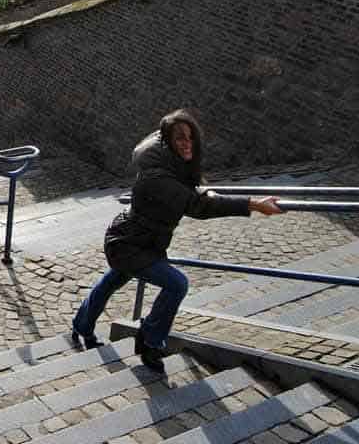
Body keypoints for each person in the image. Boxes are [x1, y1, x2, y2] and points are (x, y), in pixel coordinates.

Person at [71, 109, 284, 372]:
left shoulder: (172, 166)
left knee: (113, 280)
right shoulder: (157, 176)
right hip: (128, 244)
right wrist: (253, 205)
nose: (187, 143)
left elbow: (191, 192)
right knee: (176, 284)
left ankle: (81, 325)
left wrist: (206, 191)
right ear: (167, 142)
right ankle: (150, 340)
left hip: (142, 241)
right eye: (180, 138)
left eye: (191, 137)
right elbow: (197, 206)